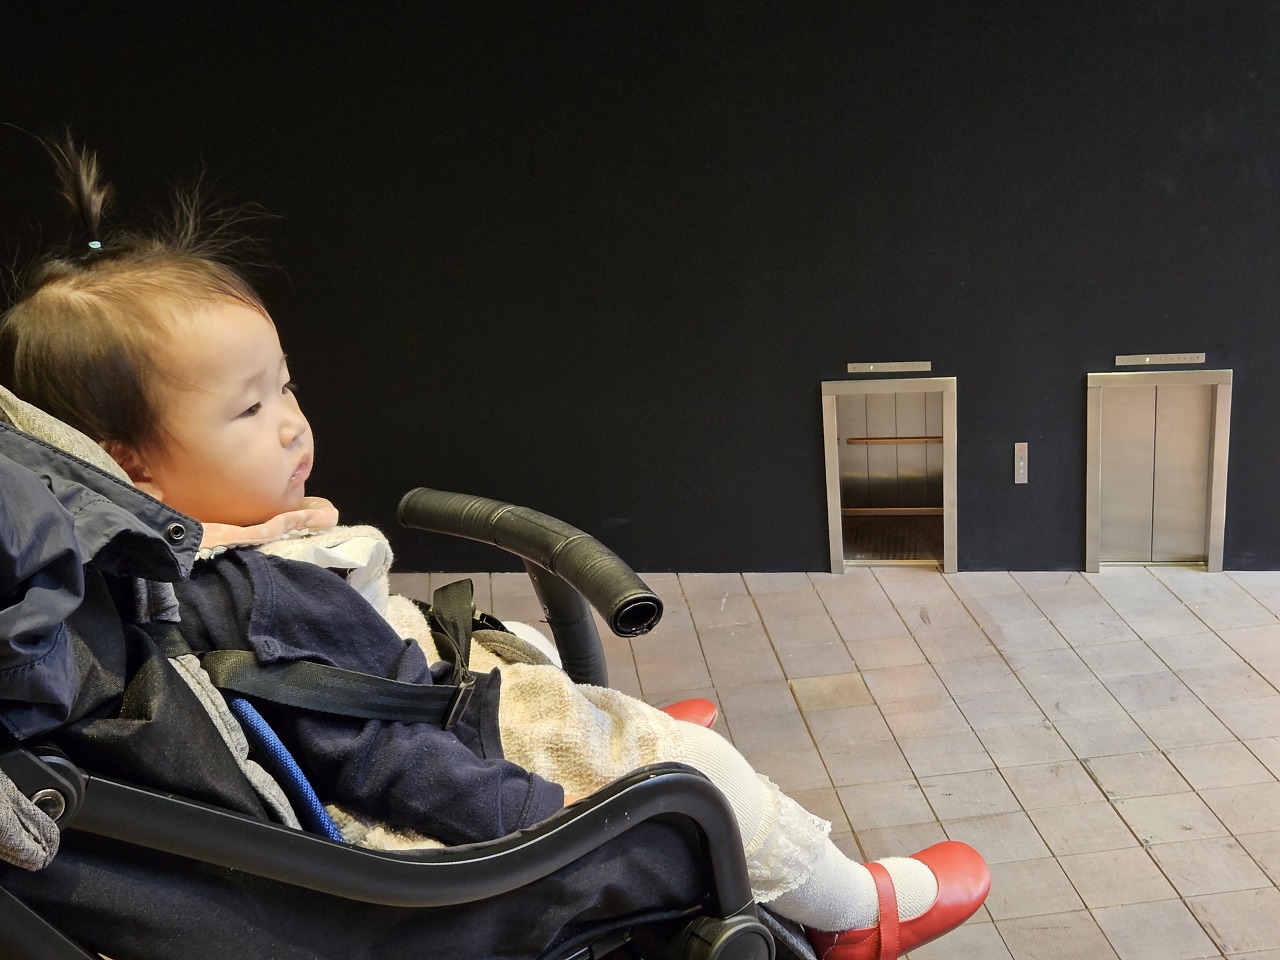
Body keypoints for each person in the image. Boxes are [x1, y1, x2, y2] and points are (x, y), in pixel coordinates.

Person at [0, 138, 989, 960]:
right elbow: (383, 754)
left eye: (287, 387)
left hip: (426, 694)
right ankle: (857, 911)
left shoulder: (159, 573)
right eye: (250, 409)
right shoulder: (248, 595)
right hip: (465, 769)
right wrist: (559, 816)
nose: (293, 423)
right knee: (692, 765)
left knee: (537, 647)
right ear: (130, 469)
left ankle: (610, 724)